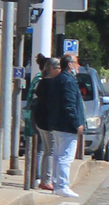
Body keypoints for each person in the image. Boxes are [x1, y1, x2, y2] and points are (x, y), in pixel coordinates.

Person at [32, 53, 86, 193]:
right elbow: (69, 104)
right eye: (76, 62)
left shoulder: (58, 80)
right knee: (64, 156)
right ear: (69, 64)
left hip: (56, 124)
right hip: (65, 126)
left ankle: (56, 183)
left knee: (55, 154)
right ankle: (61, 185)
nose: (78, 66)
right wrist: (77, 123)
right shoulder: (66, 80)